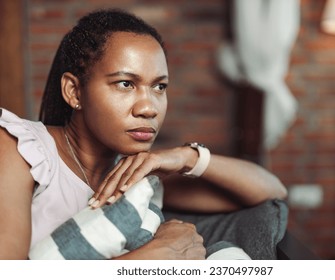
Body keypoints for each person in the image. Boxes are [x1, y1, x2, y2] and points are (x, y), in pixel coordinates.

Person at [0, 9, 287, 260]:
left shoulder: (137, 179)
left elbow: (271, 191)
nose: (149, 108)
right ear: (74, 91)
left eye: (159, 87)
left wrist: (185, 157)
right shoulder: (20, 148)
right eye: (125, 84)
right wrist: (145, 260)